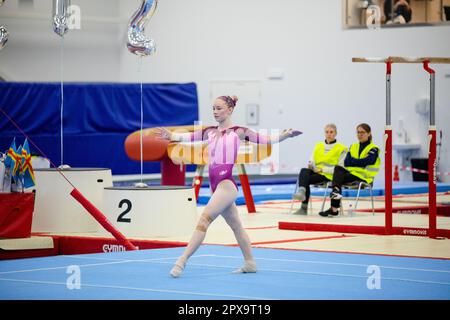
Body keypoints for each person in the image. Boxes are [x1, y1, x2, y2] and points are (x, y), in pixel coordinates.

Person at [155, 95, 302, 277]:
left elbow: (266, 140)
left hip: (226, 185)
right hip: (215, 186)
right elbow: (189, 137)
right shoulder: (209, 131)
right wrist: (171, 136)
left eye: (219, 108)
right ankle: (250, 262)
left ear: (230, 109)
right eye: (213, 108)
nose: (215, 112)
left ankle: (181, 261)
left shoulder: (238, 131)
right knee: (236, 226)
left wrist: (285, 135)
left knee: (203, 221)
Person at [318, 123, 380, 217]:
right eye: (358, 132)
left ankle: (334, 208)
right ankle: (335, 195)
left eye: (362, 132)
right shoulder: (353, 146)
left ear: (369, 133)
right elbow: (347, 162)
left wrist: (354, 161)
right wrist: (359, 162)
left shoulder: (374, 149)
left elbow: (368, 161)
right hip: (351, 174)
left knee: (337, 179)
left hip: (364, 177)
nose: (360, 134)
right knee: (338, 168)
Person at [292, 124, 347, 215]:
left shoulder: (342, 148)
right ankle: (301, 191)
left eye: (331, 132)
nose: (329, 134)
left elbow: (340, 169)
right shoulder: (318, 146)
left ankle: (303, 208)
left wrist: (322, 170)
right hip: (316, 172)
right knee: (304, 170)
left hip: (328, 175)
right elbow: (311, 160)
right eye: (327, 132)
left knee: (305, 180)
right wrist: (311, 165)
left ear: (335, 133)